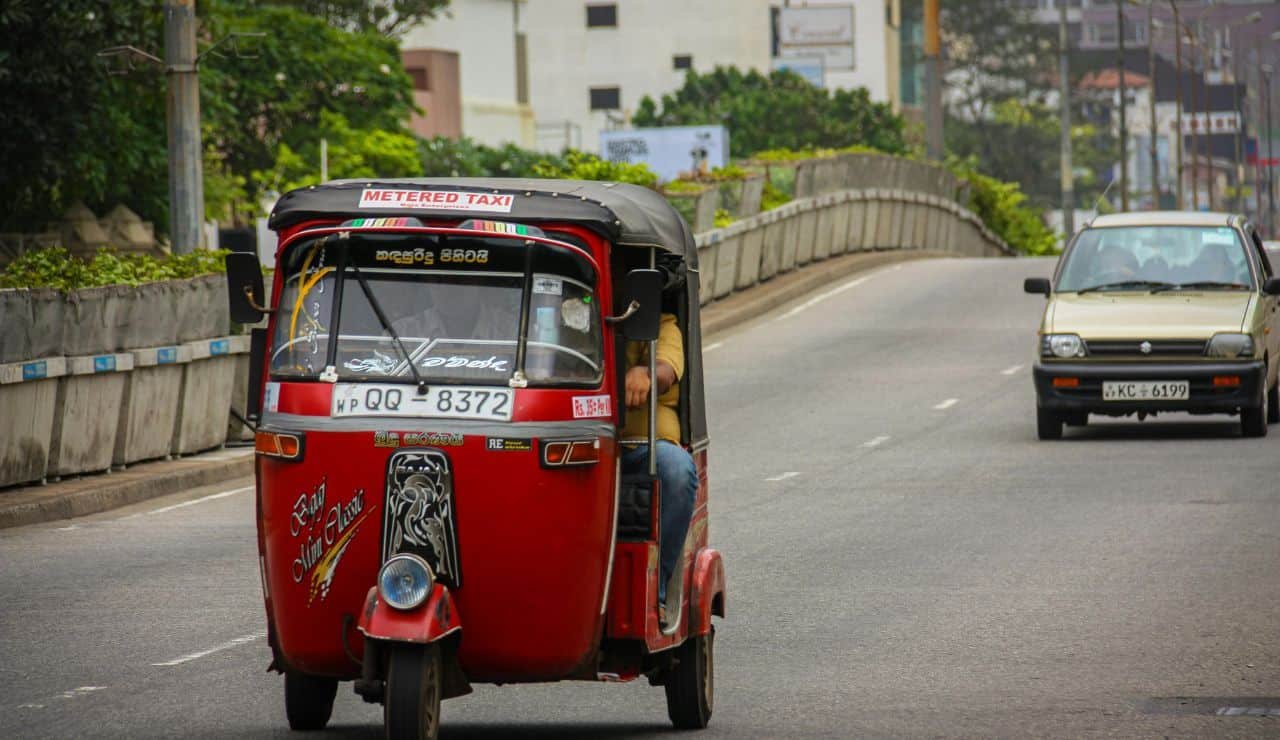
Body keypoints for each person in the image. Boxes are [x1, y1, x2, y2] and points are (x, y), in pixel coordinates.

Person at [619, 313, 696, 616]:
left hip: (640, 448)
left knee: (677, 468)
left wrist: (645, 373)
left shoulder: (661, 326)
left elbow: (666, 370)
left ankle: (656, 593)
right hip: (581, 442)